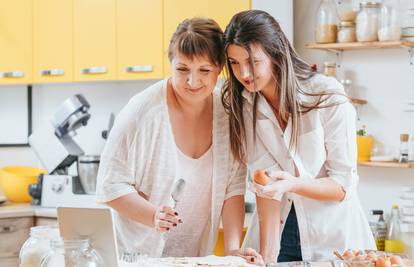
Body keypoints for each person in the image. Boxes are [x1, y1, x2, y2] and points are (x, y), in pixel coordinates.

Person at [95, 17, 263, 264]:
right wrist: (153, 216)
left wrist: (233, 251)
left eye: (204, 71)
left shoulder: (227, 113)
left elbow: (233, 189)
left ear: (220, 67)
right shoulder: (142, 112)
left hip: (192, 258)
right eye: (182, 69)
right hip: (138, 258)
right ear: (171, 64)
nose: (192, 82)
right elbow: (110, 186)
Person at [221, 10, 376, 264]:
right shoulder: (244, 105)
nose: (244, 73)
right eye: (235, 63)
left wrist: (292, 184)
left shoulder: (327, 96)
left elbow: (342, 185)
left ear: (275, 53)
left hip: (333, 239)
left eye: (253, 62)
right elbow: (266, 188)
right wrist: (269, 256)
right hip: (281, 231)